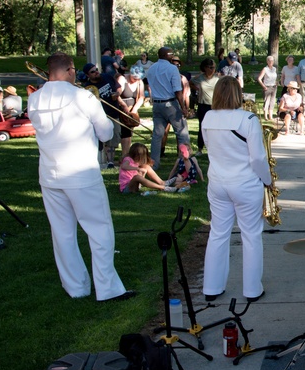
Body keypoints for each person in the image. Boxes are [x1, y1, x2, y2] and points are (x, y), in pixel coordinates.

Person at [27, 52, 133, 302]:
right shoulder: (83, 97)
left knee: (62, 233)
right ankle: (107, 288)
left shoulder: (34, 99)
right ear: (70, 70)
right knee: (99, 229)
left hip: (51, 175)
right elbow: (106, 134)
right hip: (81, 173)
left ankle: (76, 287)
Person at [201, 76, 272, 301]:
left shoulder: (208, 118)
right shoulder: (248, 119)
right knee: (251, 235)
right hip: (245, 183)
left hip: (218, 182)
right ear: (237, 94)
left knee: (218, 233)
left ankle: (211, 287)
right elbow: (258, 158)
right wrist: (268, 181)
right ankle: (252, 289)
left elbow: (209, 147)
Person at [145, 47, 191, 168]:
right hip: (170, 103)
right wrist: (184, 107)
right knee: (182, 133)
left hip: (157, 104)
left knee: (157, 135)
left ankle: (154, 163)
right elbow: (177, 90)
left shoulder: (151, 68)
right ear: (169, 55)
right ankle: (184, 161)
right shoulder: (172, 69)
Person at [82, 62, 125, 168]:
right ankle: (101, 160)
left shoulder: (107, 77)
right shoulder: (88, 87)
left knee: (114, 137)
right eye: (92, 72)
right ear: (88, 75)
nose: (96, 72)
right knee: (102, 139)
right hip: (99, 116)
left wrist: (117, 93)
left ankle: (110, 161)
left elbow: (118, 87)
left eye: (96, 69)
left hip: (113, 113)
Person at [119, 143, 187, 194]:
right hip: (126, 189)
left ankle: (162, 183)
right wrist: (137, 169)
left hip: (135, 186)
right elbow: (123, 166)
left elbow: (144, 167)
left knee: (146, 166)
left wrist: (144, 170)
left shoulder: (135, 161)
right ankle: (164, 188)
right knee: (137, 177)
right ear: (136, 155)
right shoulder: (127, 159)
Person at [191, 58, 219, 153]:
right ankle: (200, 148)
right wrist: (197, 89)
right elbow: (190, 83)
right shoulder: (200, 78)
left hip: (214, 106)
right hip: (203, 105)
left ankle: (213, 149)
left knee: (214, 128)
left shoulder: (217, 78)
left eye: (214, 67)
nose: (212, 69)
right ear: (205, 68)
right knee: (202, 127)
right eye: (210, 67)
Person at [117, 65, 144, 159]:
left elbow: (141, 97)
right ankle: (124, 155)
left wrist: (134, 110)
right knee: (124, 133)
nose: (135, 80)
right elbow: (117, 94)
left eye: (138, 78)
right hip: (121, 109)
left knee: (129, 134)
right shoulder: (122, 79)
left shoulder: (139, 82)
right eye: (134, 78)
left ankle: (126, 155)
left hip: (132, 110)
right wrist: (124, 106)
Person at [256, 55, 279, 121]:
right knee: (267, 101)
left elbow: (274, 77)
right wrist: (264, 86)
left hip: (274, 87)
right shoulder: (265, 69)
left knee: (272, 101)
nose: (271, 62)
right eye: (269, 61)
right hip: (267, 87)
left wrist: (276, 82)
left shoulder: (274, 69)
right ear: (267, 61)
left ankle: (270, 116)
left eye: (272, 61)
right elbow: (259, 79)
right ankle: (266, 116)